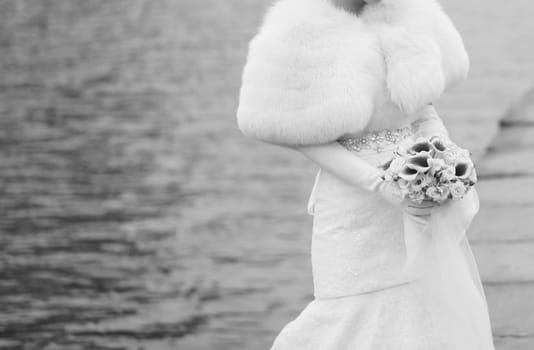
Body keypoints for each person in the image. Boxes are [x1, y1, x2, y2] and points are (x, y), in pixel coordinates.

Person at [236, 0, 495, 348]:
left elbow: (423, 110)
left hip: (418, 194)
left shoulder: (411, 13)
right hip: (353, 206)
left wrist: (443, 157)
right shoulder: (295, 28)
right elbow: (301, 137)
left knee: (425, 305)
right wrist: (379, 184)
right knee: (348, 313)